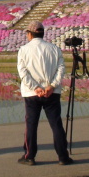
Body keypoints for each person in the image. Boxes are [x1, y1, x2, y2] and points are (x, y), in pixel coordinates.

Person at [17, 20, 73, 166]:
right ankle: (63, 156)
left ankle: (29, 156)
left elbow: (23, 73)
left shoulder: (24, 50)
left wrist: (36, 88)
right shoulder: (54, 49)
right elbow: (61, 69)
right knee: (56, 124)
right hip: (51, 93)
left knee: (31, 124)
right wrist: (52, 86)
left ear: (29, 34)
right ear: (42, 34)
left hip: (32, 94)